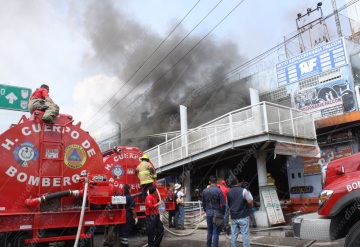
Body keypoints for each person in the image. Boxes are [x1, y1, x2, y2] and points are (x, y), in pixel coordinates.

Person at [226, 177, 253, 247]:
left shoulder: (228, 192)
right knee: (245, 234)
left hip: (234, 217)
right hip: (243, 216)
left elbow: (228, 204)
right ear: (237, 182)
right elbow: (249, 201)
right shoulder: (244, 190)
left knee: (234, 235)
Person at [201, 175, 226, 247]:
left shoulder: (204, 191)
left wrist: (206, 210)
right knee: (216, 232)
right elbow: (223, 204)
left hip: (209, 212)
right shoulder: (219, 191)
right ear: (216, 182)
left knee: (209, 231)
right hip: (217, 213)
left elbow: (203, 203)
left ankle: (208, 245)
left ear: (209, 182)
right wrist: (222, 212)